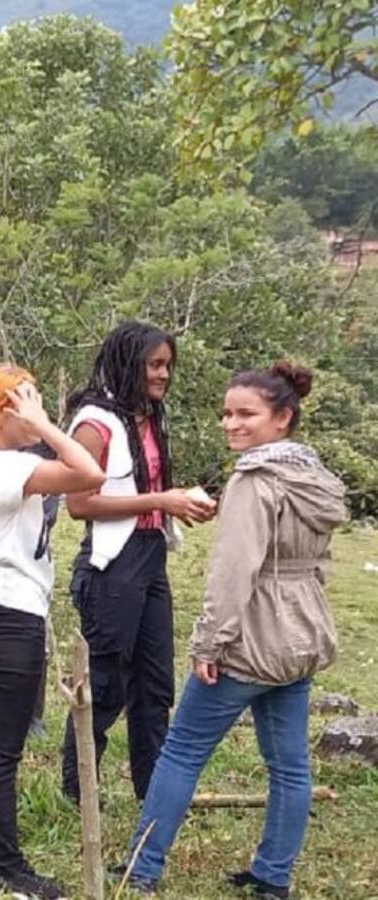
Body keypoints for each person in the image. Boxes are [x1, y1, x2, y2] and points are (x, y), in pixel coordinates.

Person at [117, 363, 346, 898]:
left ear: (282, 418)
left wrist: (209, 642)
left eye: (246, 414)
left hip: (250, 636)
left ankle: (143, 868)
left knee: (181, 752)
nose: (231, 424)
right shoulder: (314, 476)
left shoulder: (255, 480)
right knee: (289, 765)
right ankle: (274, 875)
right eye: (226, 413)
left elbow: (233, 572)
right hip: (301, 634)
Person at [0, 367, 104, 900]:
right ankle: (7, 867)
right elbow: (90, 473)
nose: (34, 409)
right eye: (23, 401)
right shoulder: (6, 467)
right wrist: (46, 424)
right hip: (6, 620)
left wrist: (31, 419)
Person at [60, 321, 216, 803]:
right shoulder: (94, 423)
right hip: (112, 565)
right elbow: (79, 505)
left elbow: (145, 493)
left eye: (168, 365)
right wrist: (159, 500)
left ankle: (153, 792)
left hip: (150, 559)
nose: (164, 374)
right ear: (130, 364)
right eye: (155, 364)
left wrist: (178, 504)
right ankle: (79, 788)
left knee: (154, 685)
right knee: (105, 684)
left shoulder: (150, 417)